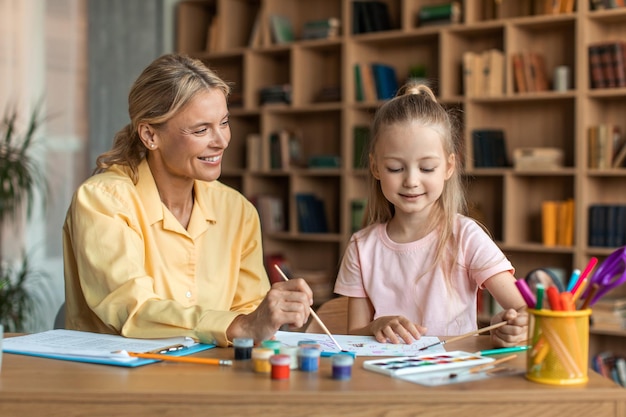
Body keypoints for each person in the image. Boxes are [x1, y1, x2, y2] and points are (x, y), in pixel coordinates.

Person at [63, 53, 313, 347]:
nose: (221, 140)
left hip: (212, 377)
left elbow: (249, 315)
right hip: (116, 382)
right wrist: (240, 325)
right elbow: (131, 308)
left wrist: (268, 317)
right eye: (201, 129)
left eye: (224, 122)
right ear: (149, 135)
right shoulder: (102, 201)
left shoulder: (238, 211)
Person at [334, 82, 528, 348]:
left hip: (452, 379)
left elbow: (524, 310)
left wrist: (515, 325)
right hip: (385, 380)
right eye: (394, 168)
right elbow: (351, 336)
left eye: (426, 168)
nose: (411, 181)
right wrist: (374, 327)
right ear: (375, 167)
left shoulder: (466, 236)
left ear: (448, 167)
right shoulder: (361, 247)